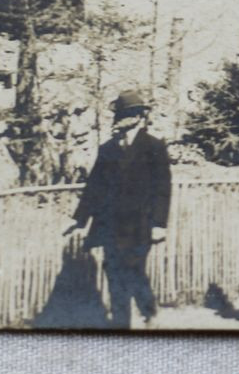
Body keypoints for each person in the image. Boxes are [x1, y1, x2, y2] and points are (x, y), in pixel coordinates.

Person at [67, 89, 171, 329]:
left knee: (134, 269)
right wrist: (79, 219)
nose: (118, 120)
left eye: (124, 115)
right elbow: (94, 187)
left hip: (140, 224)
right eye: (117, 115)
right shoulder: (107, 149)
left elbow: (162, 189)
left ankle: (148, 310)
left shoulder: (154, 147)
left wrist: (159, 224)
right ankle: (120, 324)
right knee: (113, 273)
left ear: (137, 117)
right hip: (110, 224)